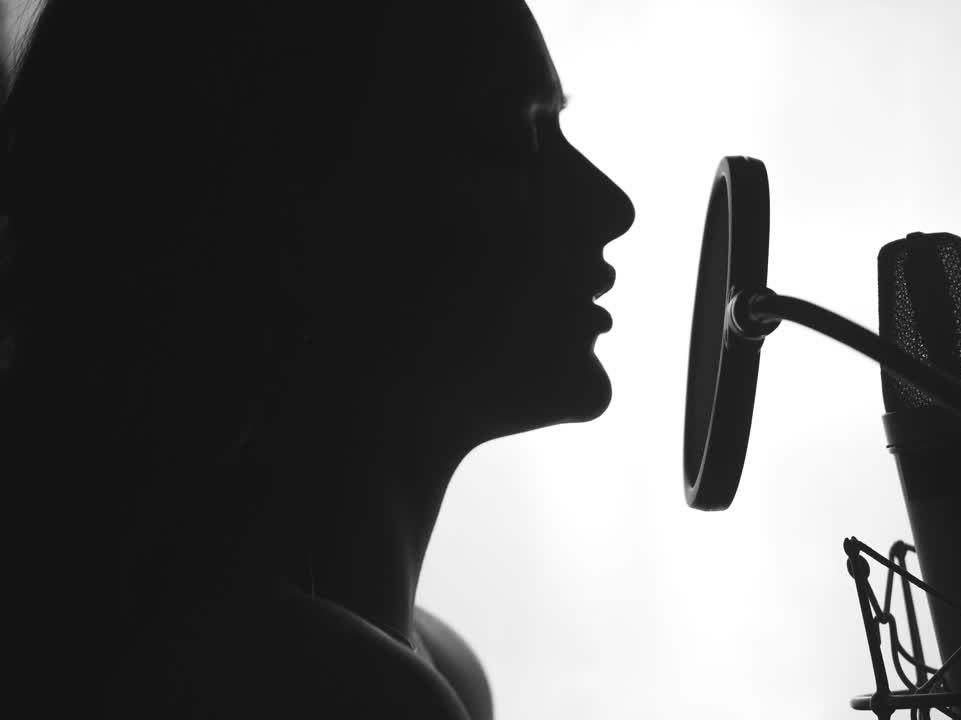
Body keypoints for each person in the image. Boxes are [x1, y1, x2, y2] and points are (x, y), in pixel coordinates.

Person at [0, 0, 635, 716]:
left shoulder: (428, 666)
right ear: (301, 209)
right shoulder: (329, 691)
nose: (611, 206)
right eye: (517, 137)